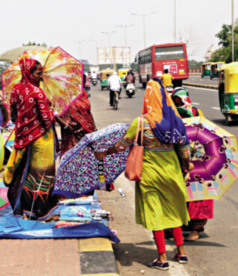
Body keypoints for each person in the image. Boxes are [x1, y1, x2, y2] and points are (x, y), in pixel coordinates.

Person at [95, 79, 194, 271]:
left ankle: (162, 258)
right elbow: (184, 149)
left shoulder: (141, 122)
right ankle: (181, 253)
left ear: (148, 97)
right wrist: (188, 164)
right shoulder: (176, 121)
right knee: (173, 210)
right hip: (172, 172)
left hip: (149, 173)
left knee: (155, 212)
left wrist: (104, 153)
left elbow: (122, 144)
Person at [3, 58, 58, 220]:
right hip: (41, 140)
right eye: (38, 73)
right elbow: (47, 120)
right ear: (29, 73)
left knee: (25, 172)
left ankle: (24, 208)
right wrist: (51, 108)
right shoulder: (37, 92)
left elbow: (13, 114)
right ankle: (40, 211)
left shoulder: (15, 90)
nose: (40, 77)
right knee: (42, 174)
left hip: (22, 139)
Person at [171, 87, 214, 241]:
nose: (178, 104)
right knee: (176, 192)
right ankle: (174, 226)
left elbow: (205, 131)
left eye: (181, 101)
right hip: (176, 158)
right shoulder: (169, 113)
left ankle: (196, 229)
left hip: (195, 159)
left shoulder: (196, 113)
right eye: (175, 101)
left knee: (198, 194)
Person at [55, 90, 97, 156]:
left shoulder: (83, 93)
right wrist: (66, 126)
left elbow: (88, 111)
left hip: (87, 133)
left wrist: (94, 128)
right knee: (72, 159)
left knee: (87, 158)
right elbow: (55, 114)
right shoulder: (61, 95)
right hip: (71, 134)